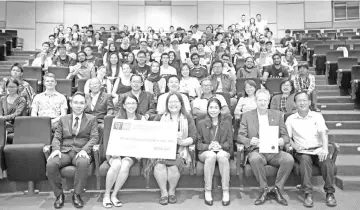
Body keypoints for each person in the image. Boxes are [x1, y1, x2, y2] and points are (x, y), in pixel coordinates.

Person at [237, 89, 294, 206]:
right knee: (255, 159)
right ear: (256, 101)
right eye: (260, 100)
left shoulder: (277, 115)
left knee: (289, 159)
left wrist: (282, 141)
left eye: (265, 100)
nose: (262, 103)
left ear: (268, 101)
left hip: (274, 151)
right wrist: (249, 140)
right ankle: (264, 189)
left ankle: (277, 189)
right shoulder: (247, 116)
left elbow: (285, 136)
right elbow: (240, 136)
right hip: (257, 150)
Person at [46, 91, 99, 209]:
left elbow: (94, 137)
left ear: (85, 105)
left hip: (81, 151)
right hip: (64, 151)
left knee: (83, 162)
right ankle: (59, 195)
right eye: (76, 103)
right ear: (71, 104)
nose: (78, 105)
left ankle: (77, 194)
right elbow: (57, 136)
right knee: (51, 164)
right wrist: (55, 149)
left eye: (81, 103)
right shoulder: (63, 119)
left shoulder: (92, 119)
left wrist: (85, 150)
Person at [285, 91, 337, 208]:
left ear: (309, 102)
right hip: (302, 151)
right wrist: (293, 145)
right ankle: (308, 193)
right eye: (299, 101)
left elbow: (323, 133)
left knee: (327, 163)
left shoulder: (316, 116)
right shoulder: (291, 119)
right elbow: (287, 137)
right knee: (304, 160)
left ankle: (330, 193)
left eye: (304, 100)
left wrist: (325, 149)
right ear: (295, 104)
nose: (302, 103)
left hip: (318, 149)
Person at [144, 92, 196, 205]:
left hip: (179, 151)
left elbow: (194, 137)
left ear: (181, 103)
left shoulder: (187, 118)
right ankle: (164, 193)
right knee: (159, 165)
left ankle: (172, 191)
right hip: (162, 151)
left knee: (173, 167)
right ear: (167, 104)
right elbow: (152, 134)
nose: (173, 104)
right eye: (170, 102)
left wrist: (182, 141)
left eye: (176, 101)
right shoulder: (160, 117)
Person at [102, 94, 145, 208]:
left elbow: (144, 138)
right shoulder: (118, 119)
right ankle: (106, 195)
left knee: (125, 165)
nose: (131, 106)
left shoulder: (142, 119)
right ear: (124, 106)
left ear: (137, 104)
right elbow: (114, 138)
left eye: (134, 103)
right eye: (129, 103)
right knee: (116, 164)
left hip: (132, 152)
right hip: (117, 150)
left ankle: (114, 195)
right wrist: (114, 151)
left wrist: (140, 152)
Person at [196, 97, 232, 206]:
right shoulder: (201, 123)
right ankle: (208, 190)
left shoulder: (226, 123)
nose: (213, 110)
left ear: (220, 110)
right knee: (211, 155)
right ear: (207, 109)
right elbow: (198, 144)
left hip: (223, 151)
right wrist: (209, 146)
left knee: (221, 155)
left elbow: (229, 143)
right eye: (211, 107)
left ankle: (225, 191)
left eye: (216, 108)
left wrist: (220, 146)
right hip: (206, 152)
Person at [85, 78, 114, 145]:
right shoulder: (85, 97)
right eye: (92, 84)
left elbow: (110, 109)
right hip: (87, 121)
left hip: (100, 121)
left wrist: (108, 116)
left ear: (100, 85)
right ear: (89, 87)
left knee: (104, 128)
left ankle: (97, 149)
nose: (95, 86)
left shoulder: (106, 96)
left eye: (97, 84)